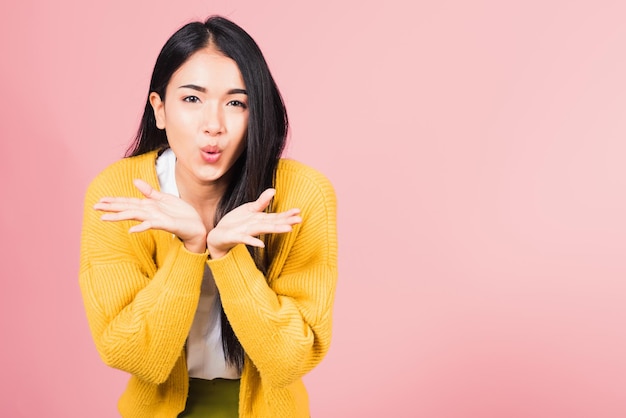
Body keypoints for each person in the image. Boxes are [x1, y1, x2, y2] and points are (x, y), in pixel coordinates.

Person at [78, 15, 338, 418]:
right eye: (192, 99)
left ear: (257, 114)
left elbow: (291, 359)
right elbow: (129, 351)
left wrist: (225, 255)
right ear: (159, 110)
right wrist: (190, 249)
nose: (212, 126)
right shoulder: (119, 193)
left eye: (236, 103)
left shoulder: (303, 196)